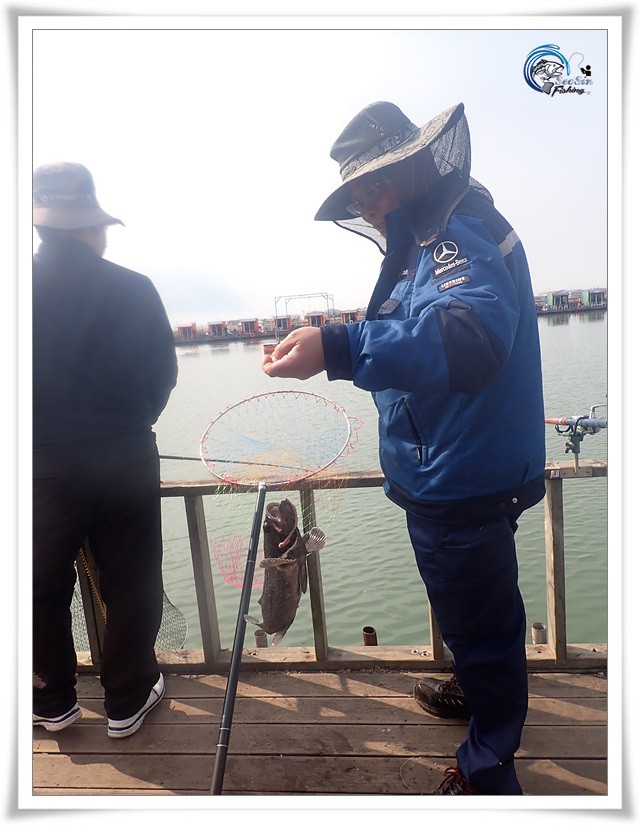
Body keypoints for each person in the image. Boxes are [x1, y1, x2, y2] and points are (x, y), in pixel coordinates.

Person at [262, 102, 546, 794]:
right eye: (358, 195)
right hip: (457, 468)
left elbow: (470, 338)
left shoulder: (454, 232)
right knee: (476, 613)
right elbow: (423, 331)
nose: (368, 205)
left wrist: (337, 347)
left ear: (416, 168)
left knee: (481, 625)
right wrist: (340, 343)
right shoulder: (430, 235)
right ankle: (476, 689)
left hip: (462, 478)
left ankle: (487, 771)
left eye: (375, 186)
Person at [32, 162, 178, 738]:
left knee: (39, 587)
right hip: (125, 460)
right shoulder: (134, 287)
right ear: (92, 227)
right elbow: (163, 376)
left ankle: (50, 699)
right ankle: (127, 699)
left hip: (38, 468)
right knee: (131, 581)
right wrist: (129, 427)